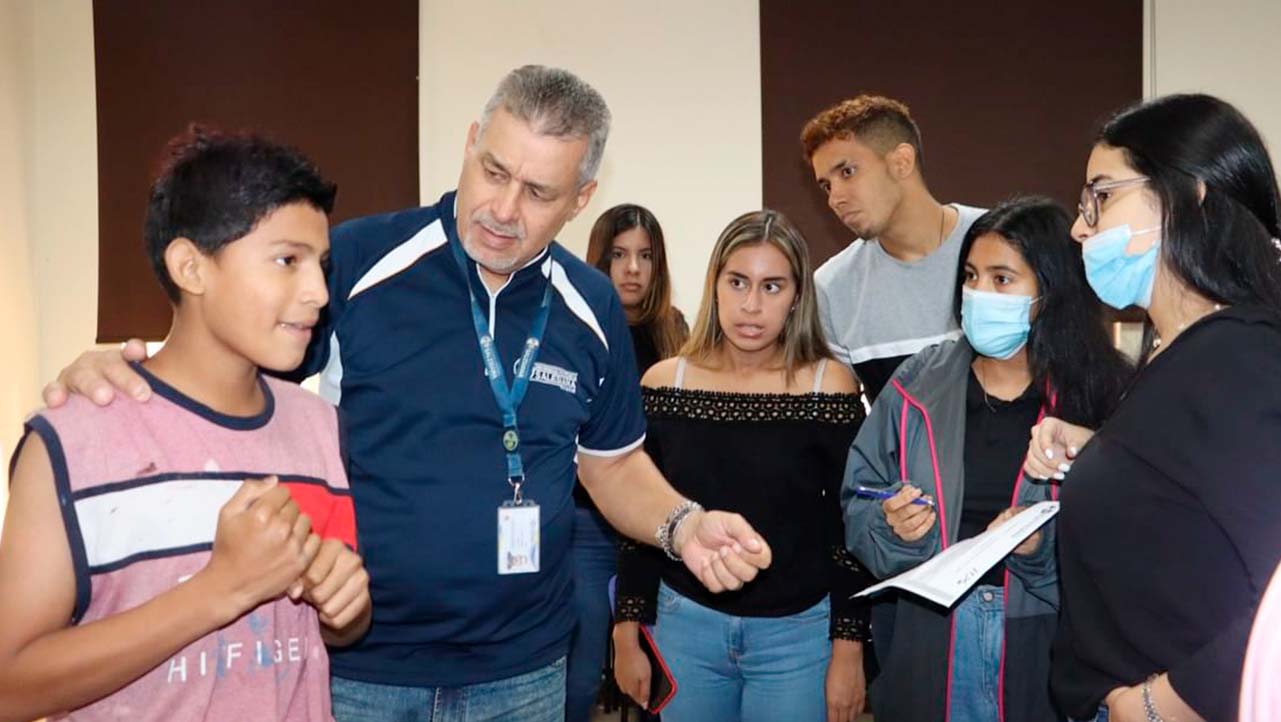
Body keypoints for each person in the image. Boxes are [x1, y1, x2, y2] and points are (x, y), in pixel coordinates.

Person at [44, 66, 772, 722]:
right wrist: (128, 363)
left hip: (521, 669)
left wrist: (681, 524)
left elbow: (610, 464)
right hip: (359, 664)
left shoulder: (589, 304)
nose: (502, 208)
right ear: (469, 142)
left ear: (582, 198)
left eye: (539, 192)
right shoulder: (358, 261)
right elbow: (231, 374)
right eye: (493, 170)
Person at [0, 128, 370, 721]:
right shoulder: (74, 440)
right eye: (287, 260)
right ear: (191, 268)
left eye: (321, 265)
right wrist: (220, 589)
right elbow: (10, 685)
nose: (319, 292)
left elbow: (319, 630)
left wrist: (345, 609)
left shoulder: (319, 427)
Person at [1027, 94, 1281, 722]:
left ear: (1188, 196)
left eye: (1102, 195)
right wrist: (1106, 453)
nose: (1081, 227)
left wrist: (1163, 703)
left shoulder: (1239, 356)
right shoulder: (1180, 353)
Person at [842, 197, 1132, 722]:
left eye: (1002, 279)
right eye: (971, 276)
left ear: (1051, 291)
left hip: (1045, 641)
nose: (979, 293)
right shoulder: (917, 385)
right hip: (930, 637)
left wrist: (1041, 551)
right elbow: (858, 500)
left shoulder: (1103, 394)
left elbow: (1131, 545)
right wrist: (892, 527)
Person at [612, 210, 874, 722]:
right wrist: (627, 632)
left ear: (797, 296)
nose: (751, 305)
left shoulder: (829, 387)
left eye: (772, 286)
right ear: (715, 286)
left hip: (797, 637)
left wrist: (849, 647)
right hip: (683, 624)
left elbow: (849, 530)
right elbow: (639, 519)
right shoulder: (667, 384)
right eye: (738, 282)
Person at [563, 204, 688, 722]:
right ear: (599, 259)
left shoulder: (678, 332)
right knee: (580, 670)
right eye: (618, 255)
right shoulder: (574, 330)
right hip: (588, 526)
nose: (633, 268)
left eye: (645, 255)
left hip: (657, 529)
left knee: (658, 677)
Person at [802, 95, 986, 403]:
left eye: (847, 172)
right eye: (826, 185)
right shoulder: (832, 289)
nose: (835, 199)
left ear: (901, 161)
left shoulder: (1005, 241)